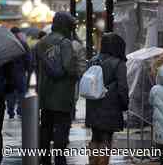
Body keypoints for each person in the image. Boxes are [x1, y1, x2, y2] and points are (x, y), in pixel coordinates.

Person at [35, 11, 78, 165]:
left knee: (45, 128)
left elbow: (37, 69)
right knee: (61, 128)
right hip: (62, 95)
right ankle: (60, 159)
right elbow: (69, 67)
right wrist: (77, 72)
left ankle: (44, 158)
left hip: (45, 94)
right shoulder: (65, 43)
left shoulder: (41, 43)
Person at [85, 33, 129, 165]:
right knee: (106, 137)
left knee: (95, 136)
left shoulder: (93, 60)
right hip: (110, 106)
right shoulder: (119, 63)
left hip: (93, 105)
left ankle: (93, 162)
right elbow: (123, 87)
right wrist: (125, 104)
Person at [6, 27, 32, 119]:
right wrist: (28, 70)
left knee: (10, 93)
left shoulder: (7, 45)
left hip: (9, 74)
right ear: (18, 33)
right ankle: (20, 110)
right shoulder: (23, 44)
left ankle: (10, 111)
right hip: (20, 73)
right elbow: (28, 59)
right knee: (21, 92)